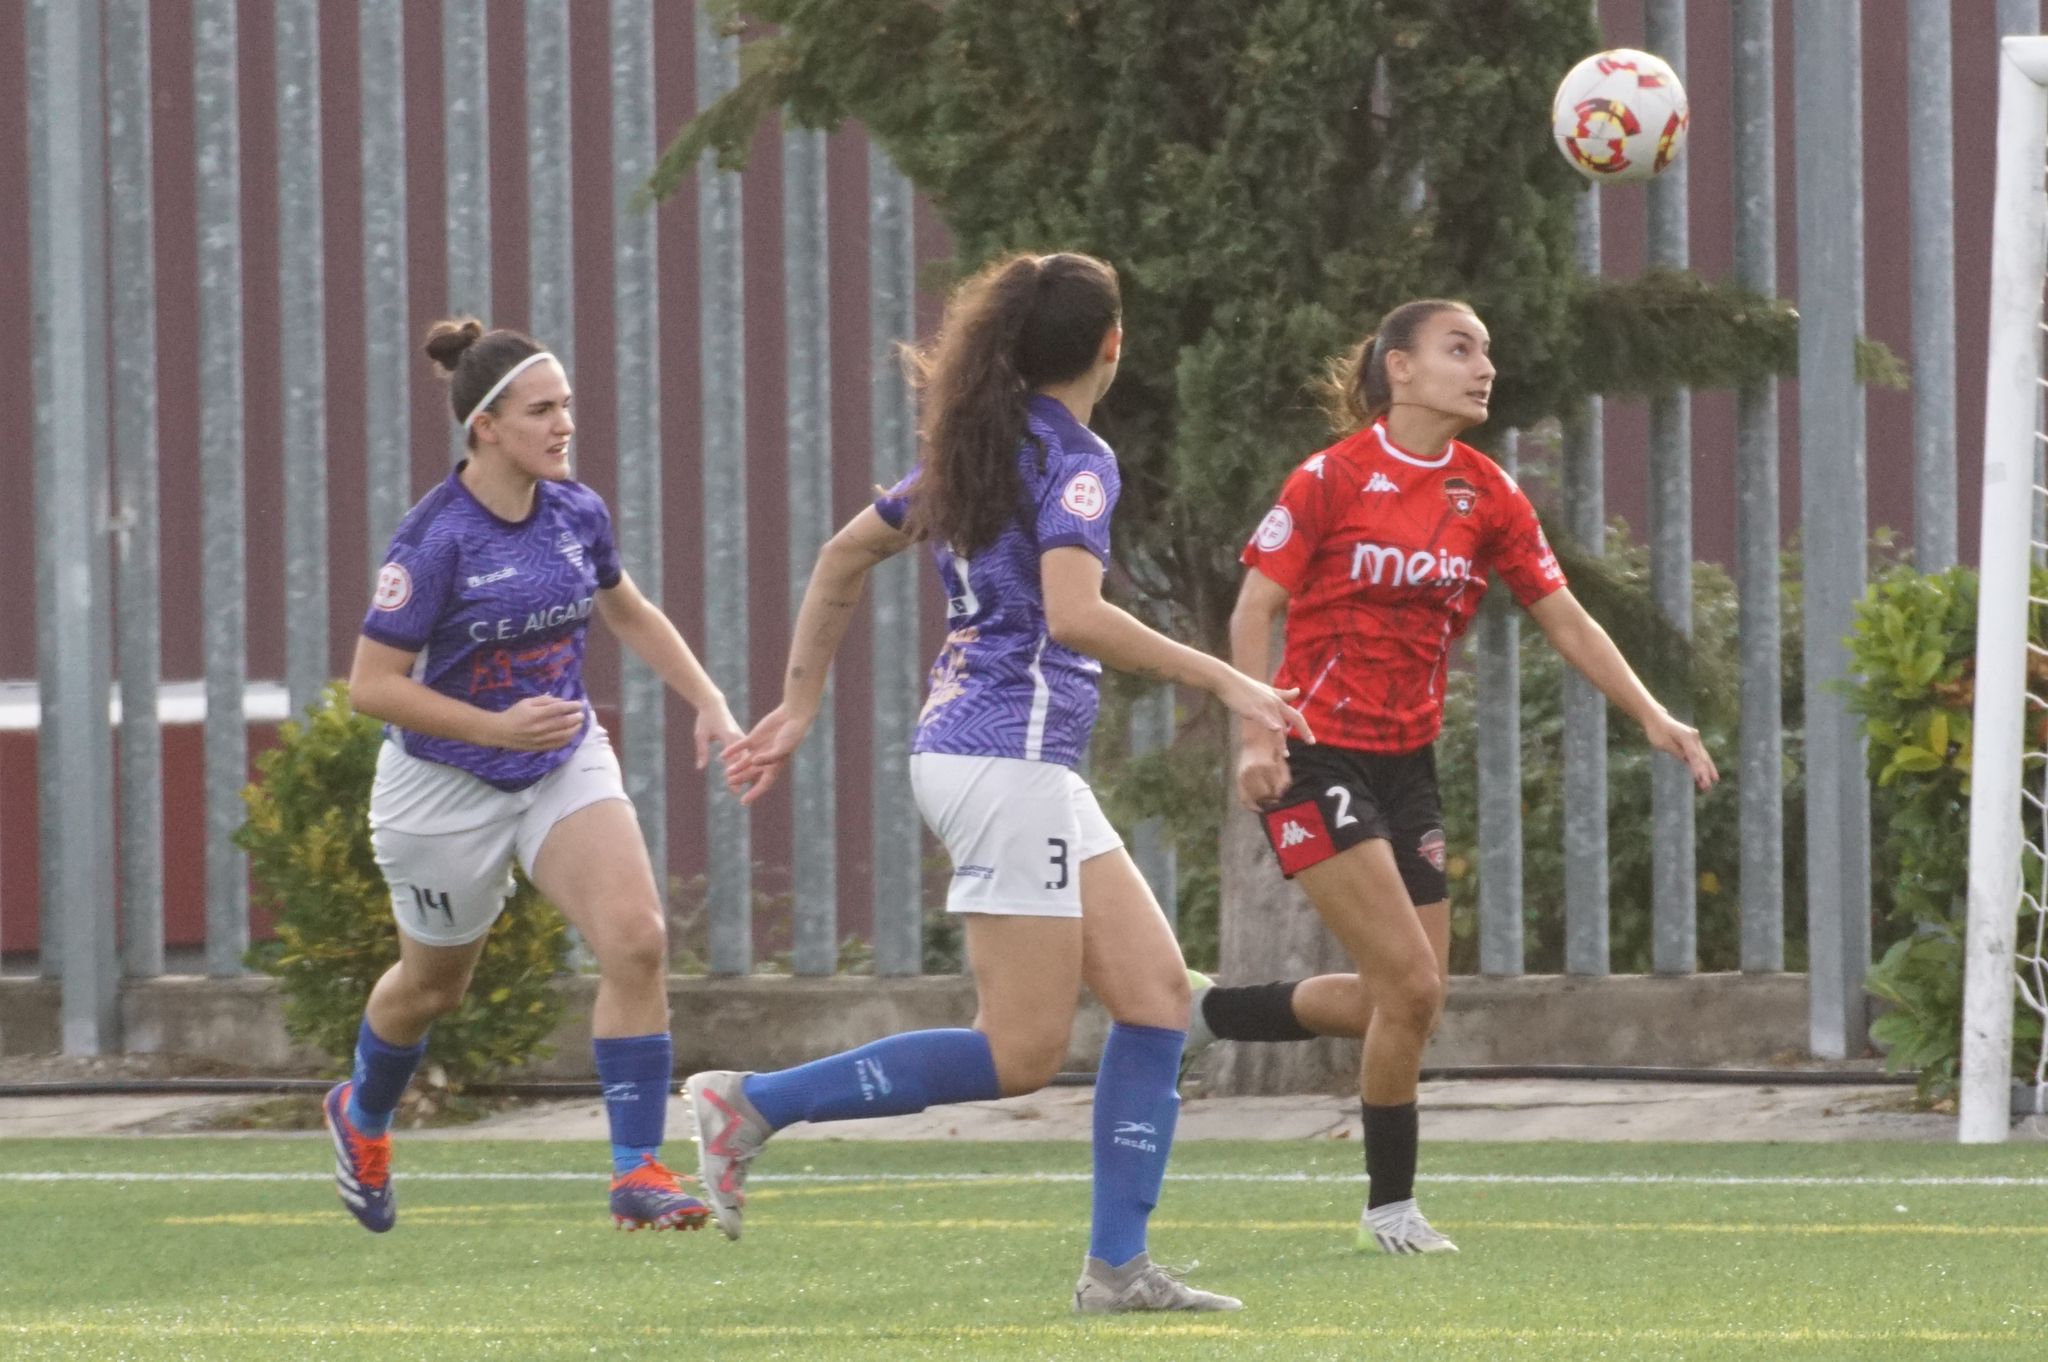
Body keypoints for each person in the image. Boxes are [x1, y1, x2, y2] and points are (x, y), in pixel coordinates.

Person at [700, 252, 1309, 1312]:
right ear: (1110, 346)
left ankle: (1117, 1270)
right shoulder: (1075, 461)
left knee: (1157, 998)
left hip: (1000, 757)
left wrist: (799, 706)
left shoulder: (973, 450)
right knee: (1019, 1049)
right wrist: (1229, 680)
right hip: (1003, 761)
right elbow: (1072, 614)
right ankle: (750, 1104)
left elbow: (840, 558)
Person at [1184, 298, 1718, 1255]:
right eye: (1459, 348)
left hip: (1408, 761)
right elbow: (1253, 607)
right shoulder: (1329, 477)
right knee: (1411, 984)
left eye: (1488, 350)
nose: (1483, 368)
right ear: (1399, 367)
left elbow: (1566, 618)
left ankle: (1205, 1013)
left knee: (1413, 998)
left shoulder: (1487, 493)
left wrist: (1653, 714)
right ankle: (1389, 1212)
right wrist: (1257, 735)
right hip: (1316, 752)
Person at [324, 317, 743, 1234]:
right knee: (432, 988)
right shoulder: (433, 541)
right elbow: (370, 688)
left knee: (636, 938)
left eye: (567, 409)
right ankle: (362, 1116)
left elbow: (628, 612)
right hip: (444, 786)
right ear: (485, 426)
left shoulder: (575, 510)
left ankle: (636, 1168)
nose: (564, 427)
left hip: (559, 760)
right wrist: (493, 728)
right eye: (541, 411)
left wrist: (708, 701)